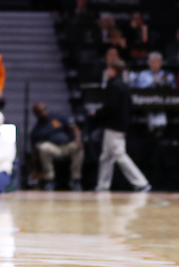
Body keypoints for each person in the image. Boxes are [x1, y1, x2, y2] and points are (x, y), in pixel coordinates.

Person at [92, 59, 150, 193]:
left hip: (114, 126)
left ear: (113, 70)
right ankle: (102, 186)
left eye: (108, 68)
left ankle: (141, 182)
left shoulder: (114, 86)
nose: (106, 71)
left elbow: (111, 106)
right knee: (106, 156)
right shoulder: (123, 85)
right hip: (118, 125)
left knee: (119, 155)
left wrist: (97, 113)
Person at [30, 102, 83, 192]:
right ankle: (49, 180)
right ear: (36, 114)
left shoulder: (58, 116)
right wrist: (35, 168)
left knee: (77, 147)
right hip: (53, 149)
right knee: (43, 148)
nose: (43, 112)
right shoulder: (37, 129)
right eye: (39, 111)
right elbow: (35, 149)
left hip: (67, 145)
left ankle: (76, 179)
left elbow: (74, 127)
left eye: (44, 109)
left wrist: (78, 140)